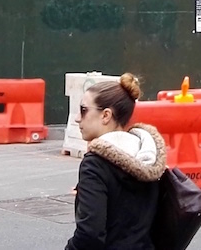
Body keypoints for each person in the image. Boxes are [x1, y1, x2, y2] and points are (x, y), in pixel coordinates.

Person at [67, 74, 167, 250]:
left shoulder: (96, 164)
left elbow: (89, 235)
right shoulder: (149, 157)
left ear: (106, 115)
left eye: (83, 110)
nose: (77, 118)